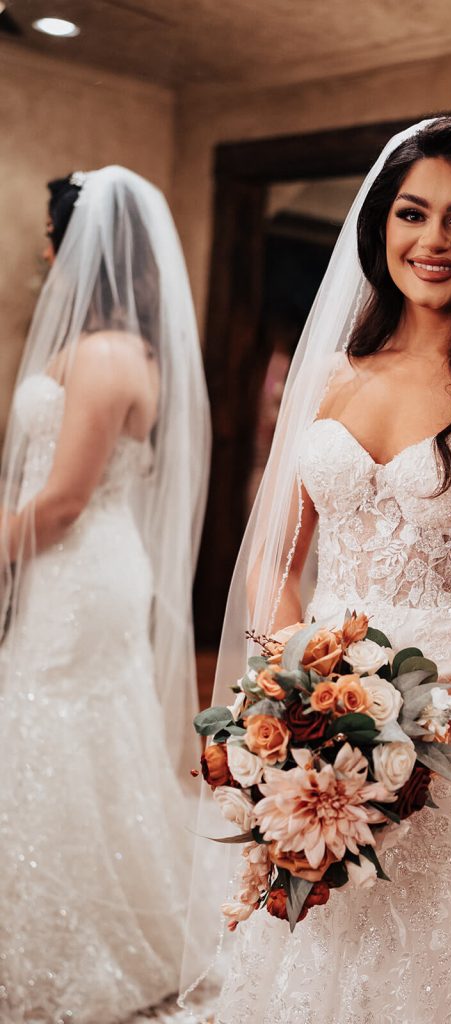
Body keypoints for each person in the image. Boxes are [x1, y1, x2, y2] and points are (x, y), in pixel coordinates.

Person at [181, 118, 451, 1024]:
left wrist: (428, 719)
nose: (433, 241)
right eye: (413, 213)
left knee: (419, 940)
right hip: (308, 701)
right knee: (306, 926)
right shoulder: (332, 373)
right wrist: (284, 677)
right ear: (380, 224)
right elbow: (274, 556)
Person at [0, 166, 211, 1023]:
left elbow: (61, 500)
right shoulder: (124, 347)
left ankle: (77, 945)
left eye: (52, 241)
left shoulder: (102, 355)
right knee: (75, 732)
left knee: (56, 725)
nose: (44, 257)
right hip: (81, 563)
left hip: (81, 566)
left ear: (74, 246)